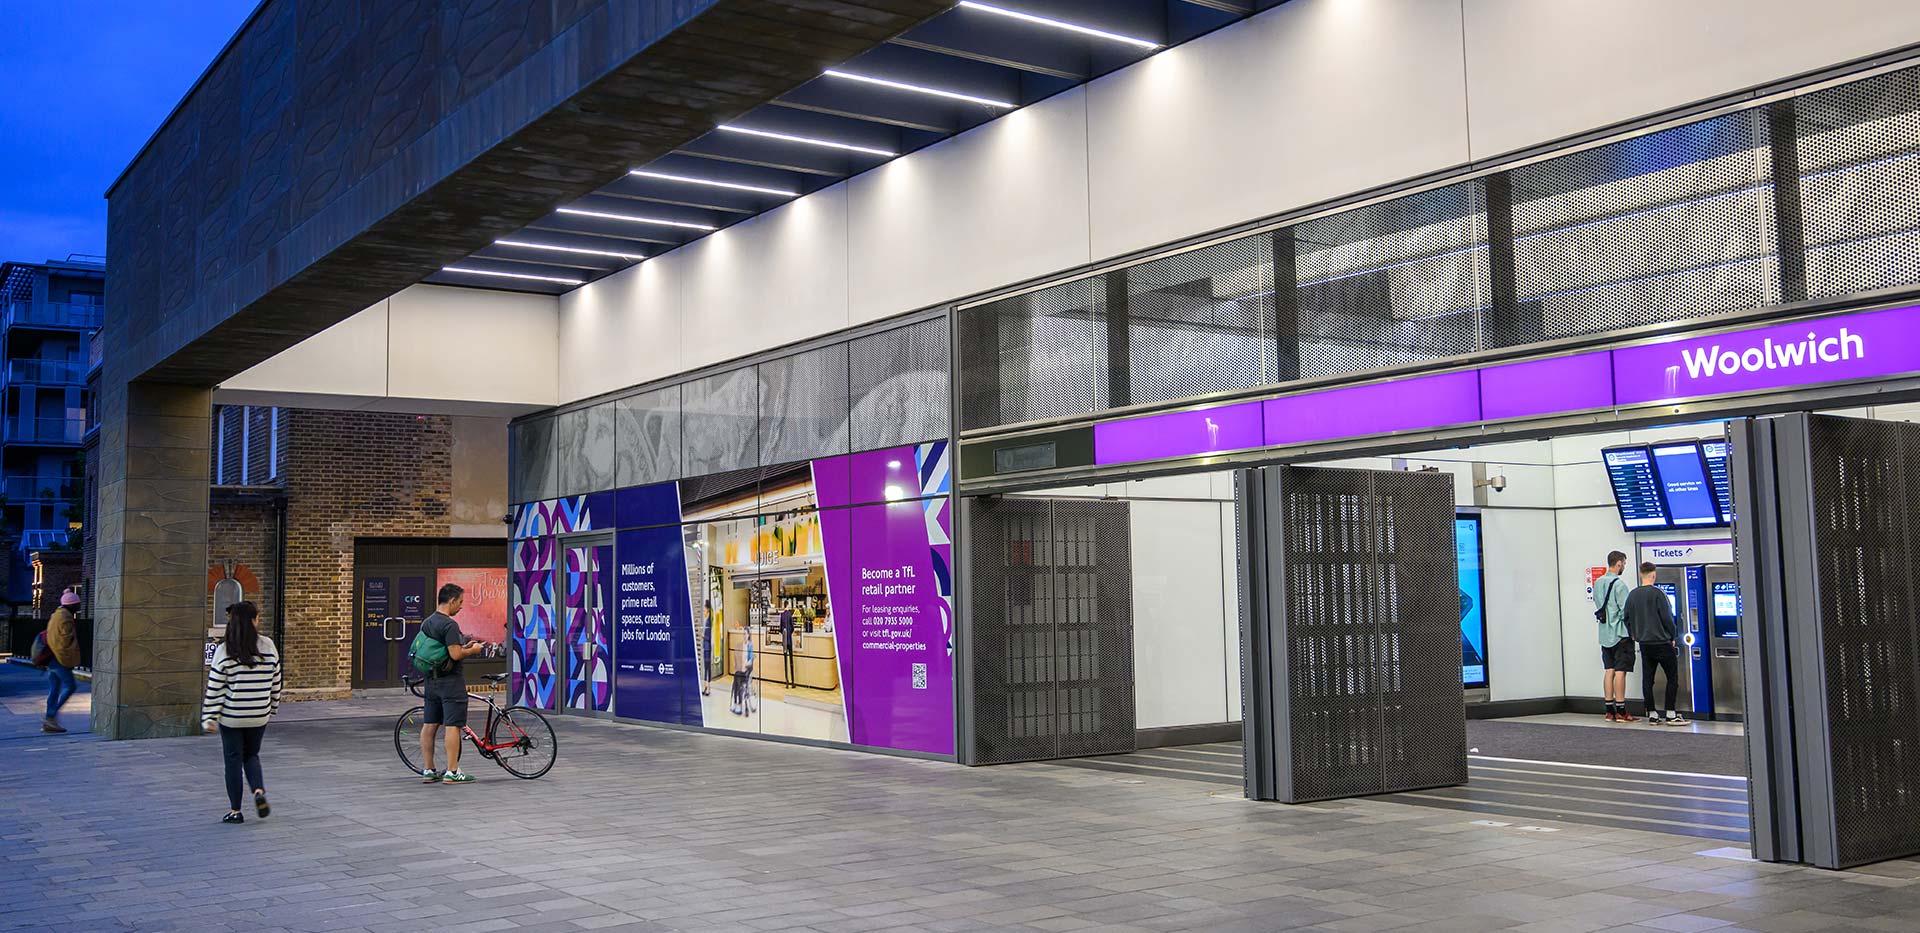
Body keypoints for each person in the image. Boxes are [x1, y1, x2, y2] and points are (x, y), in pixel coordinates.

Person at [201, 601, 282, 824]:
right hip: (258, 714)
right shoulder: (268, 645)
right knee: (251, 755)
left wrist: (209, 717)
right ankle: (258, 791)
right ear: (253, 620)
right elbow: (276, 681)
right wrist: (272, 707)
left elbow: (215, 686)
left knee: (233, 760)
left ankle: (235, 811)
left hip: (232, 716)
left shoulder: (225, 650)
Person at [417, 583, 489, 784]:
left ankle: (429, 770)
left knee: (429, 724)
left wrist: (461, 646)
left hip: (431, 680)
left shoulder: (428, 622)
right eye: (460, 602)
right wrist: (472, 651)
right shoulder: (449, 625)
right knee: (453, 725)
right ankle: (452, 771)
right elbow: (455, 654)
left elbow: (440, 650)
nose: (461, 606)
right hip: (451, 682)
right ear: (451, 601)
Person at [1626, 562, 1691, 726]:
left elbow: (1626, 617)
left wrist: (1634, 634)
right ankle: (1670, 713)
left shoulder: (1632, 595)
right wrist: (1673, 635)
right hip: (1662, 642)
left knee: (1647, 679)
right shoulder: (1659, 594)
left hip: (1645, 644)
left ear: (1641, 574)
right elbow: (1667, 618)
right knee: (1672, 678)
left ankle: (1653, 714)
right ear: (1653, 575)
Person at [1593, 551, 1636, 722]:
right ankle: (1621, 710)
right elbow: (1625, 611)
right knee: (1620, 672)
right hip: (1620, 634)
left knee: (1609, 670)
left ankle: (1609, 710)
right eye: (1624, 563)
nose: (1624, 566)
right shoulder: (1620, 585)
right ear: (1618, 563)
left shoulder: (1598, 583)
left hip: (1604, 634)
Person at [42, 589, 82, 733]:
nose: (79, 607)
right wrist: (69, 656)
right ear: (71, 605)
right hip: (59, 658)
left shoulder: (56, 615)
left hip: (52, 657)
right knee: (70, 686)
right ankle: (50, 716)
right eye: (77, 604)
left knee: (54, 689)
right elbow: (65, 640)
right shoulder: (66, 617)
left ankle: (50, 721)